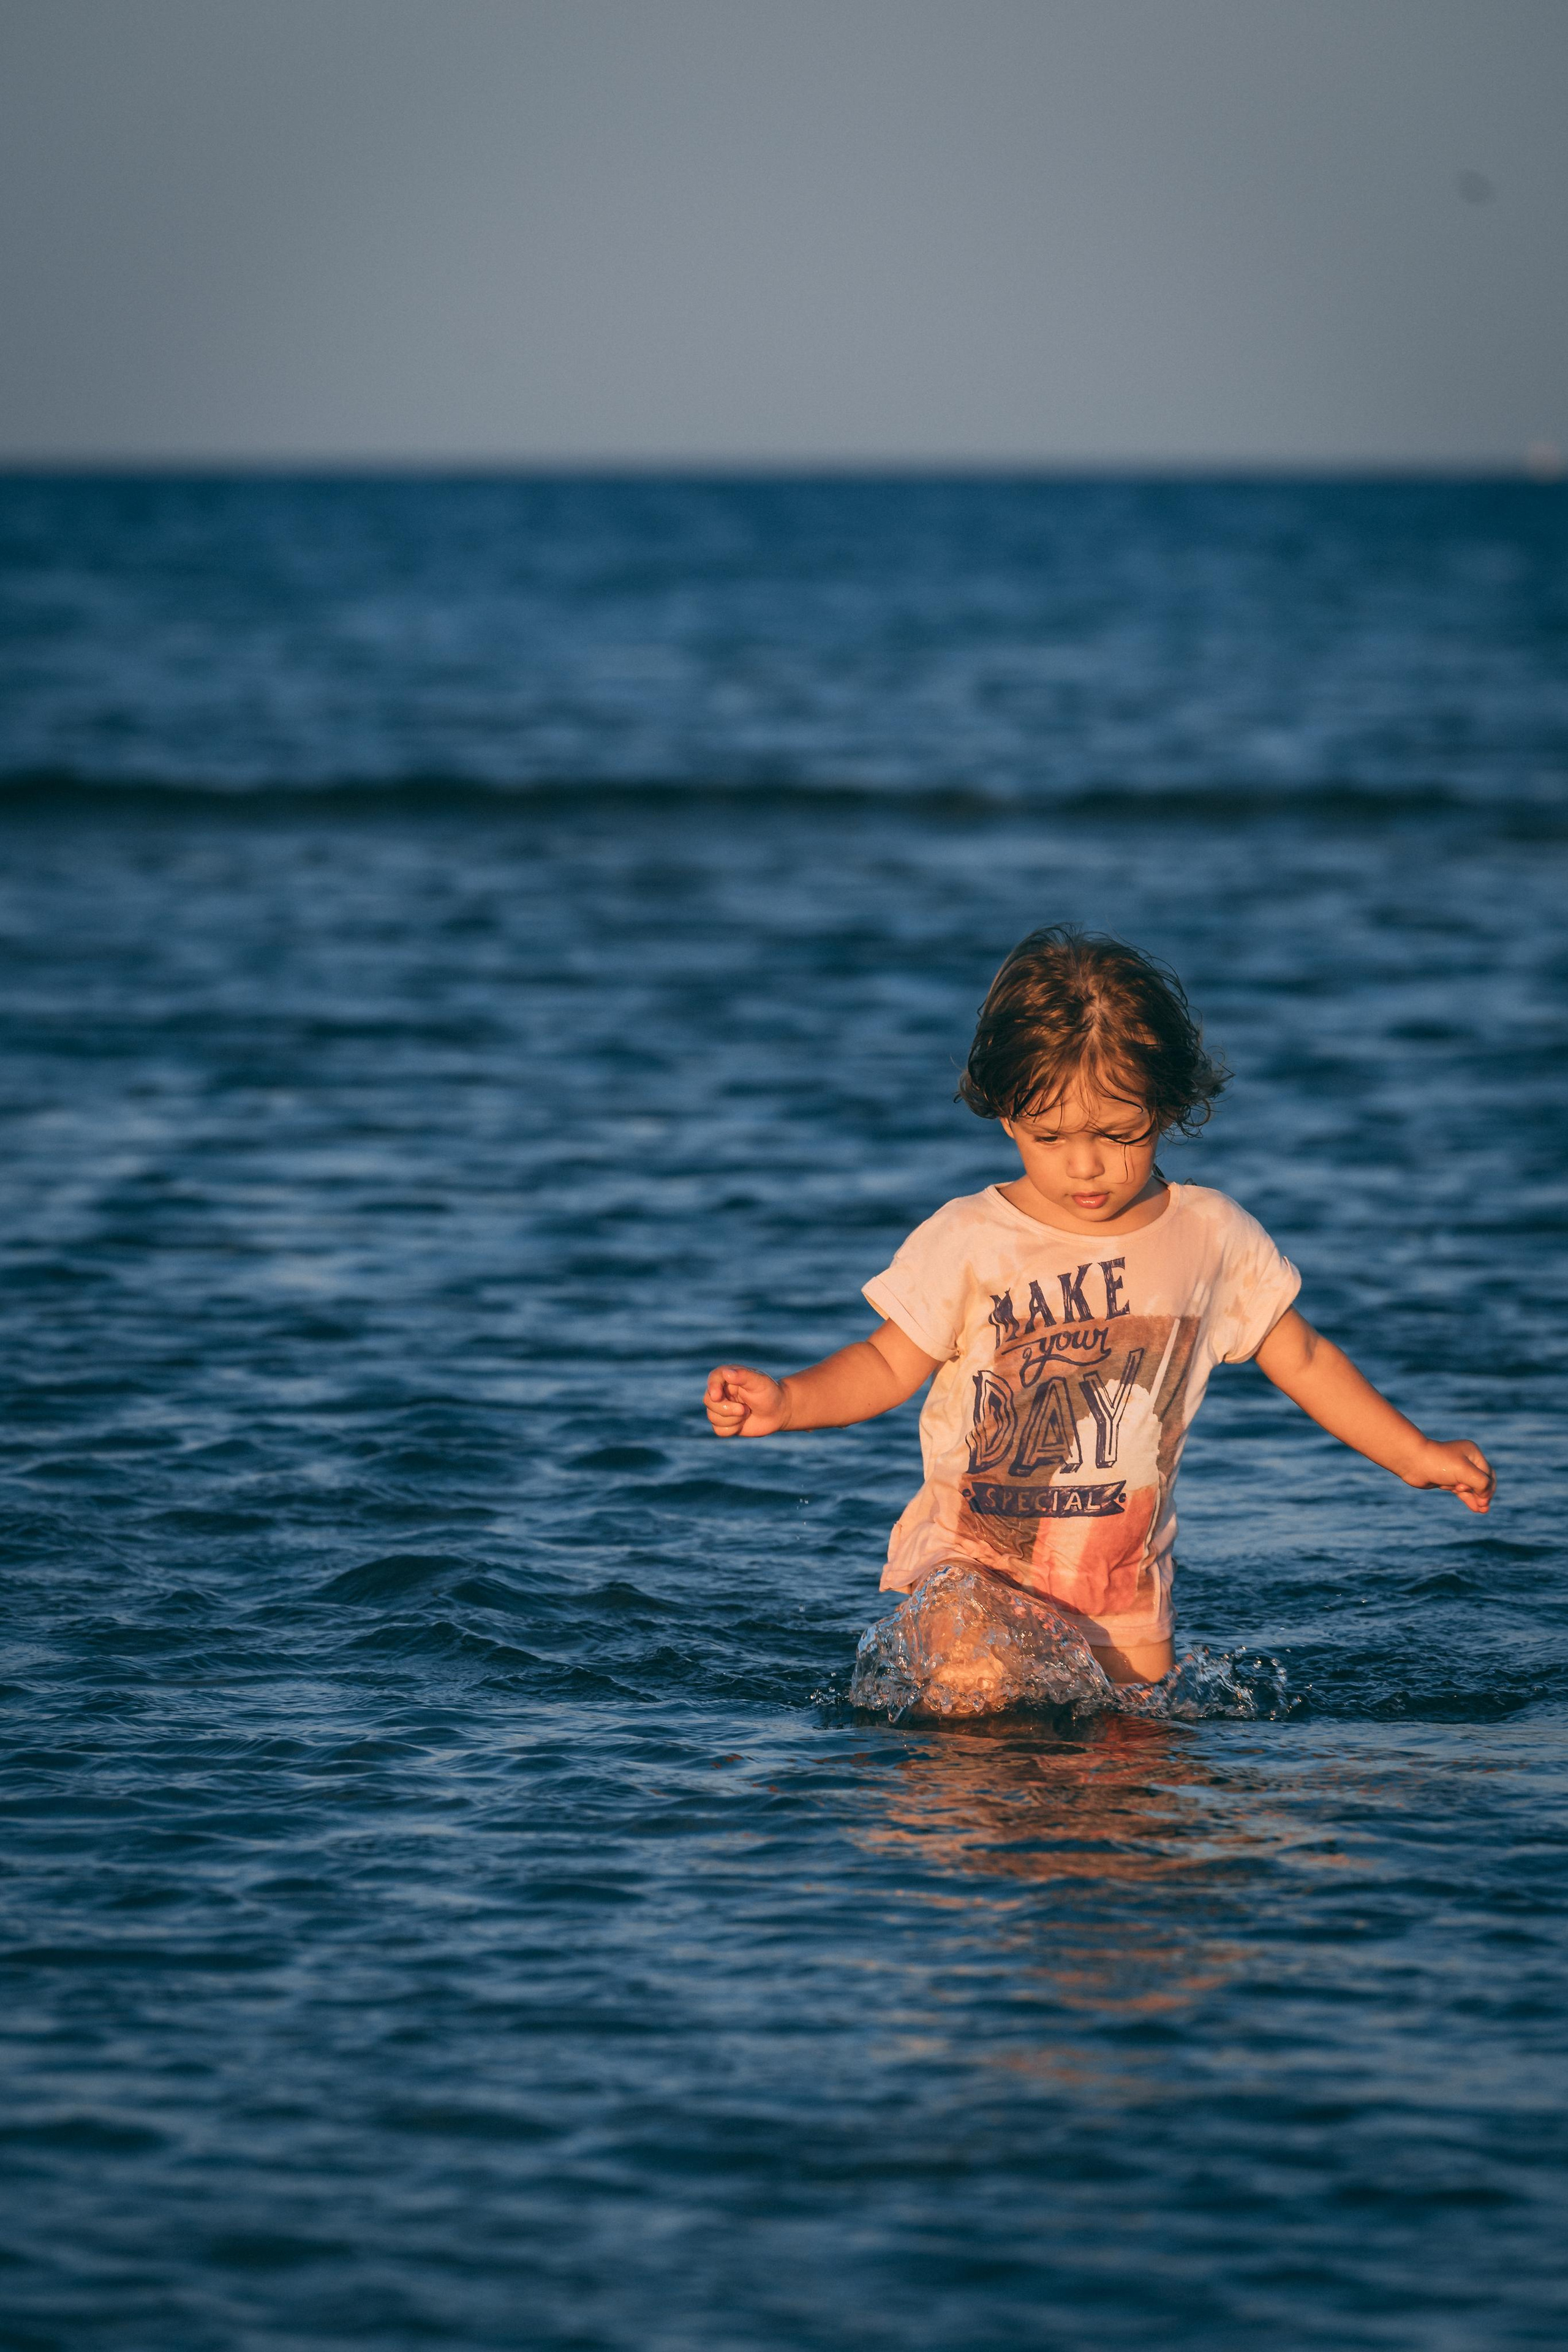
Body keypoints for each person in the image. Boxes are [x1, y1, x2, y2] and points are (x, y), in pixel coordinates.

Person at [703, 925, 1494, 1697]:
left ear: (1168, 1107)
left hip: (1121, 1582)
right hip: (974, 1561)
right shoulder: (971, 1237)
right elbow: (885, 1363)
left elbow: (1305, 1358)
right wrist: (790, 1400)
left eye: (1119, 1135)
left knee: (1136, 1757)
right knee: (972, 1699)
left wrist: (1413, 1454)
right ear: (1007, 1114)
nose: (1085, 1166)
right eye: (1050, 1137)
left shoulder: (1211, 1236)